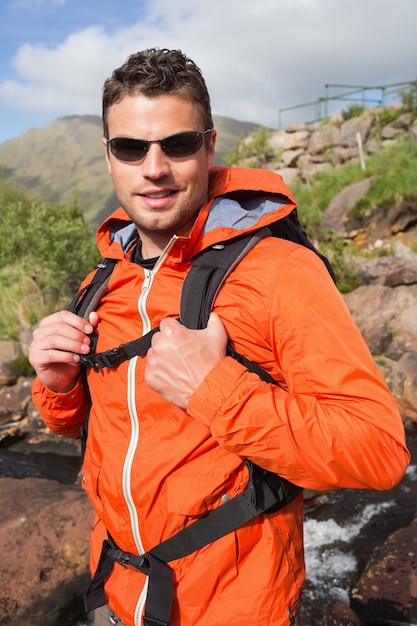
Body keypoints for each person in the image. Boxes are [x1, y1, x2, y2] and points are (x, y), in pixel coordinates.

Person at [29, 48, 410, 626]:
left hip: (232, 608)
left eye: (178, 144)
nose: (153, 167)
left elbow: (378, 454)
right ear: (110, 158)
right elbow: (84, 428)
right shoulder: (102, 279)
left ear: (209, 147)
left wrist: (214, 387)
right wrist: (58, 387)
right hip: (114, 593)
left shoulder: (279, 271)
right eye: (131, 147)